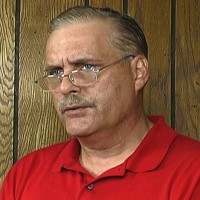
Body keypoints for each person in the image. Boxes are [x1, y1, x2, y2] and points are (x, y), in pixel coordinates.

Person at [0, 6, 200, 200]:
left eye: (86, 66)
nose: (65, 87)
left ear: (138, 72)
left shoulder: (193, 172)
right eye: (56, 73)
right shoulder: (25, 174)